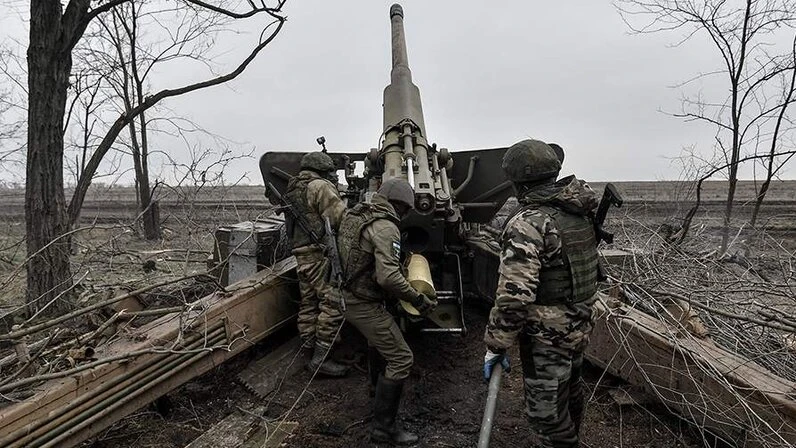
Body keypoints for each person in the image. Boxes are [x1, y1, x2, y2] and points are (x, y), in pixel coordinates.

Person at [483, 139, 600, 448]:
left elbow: (514, 296)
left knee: (546, 418)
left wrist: (496, 345)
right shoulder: (577, 208)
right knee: (570, 389)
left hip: (547, 335)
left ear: (516, 180)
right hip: (580, 321)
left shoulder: (529, 223)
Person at [337, 178, 437, 446]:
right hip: (362, 302)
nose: (404, 216)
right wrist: (417, 298)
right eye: (406, 210)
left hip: (349, 294)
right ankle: (384, 429)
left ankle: (374, 388)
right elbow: (388, 277)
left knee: (378, 341)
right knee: (402, 358)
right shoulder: (386, 227)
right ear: (401, 206)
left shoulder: (356, 214)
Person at [284, 151, 349, 377]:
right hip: (319, 254)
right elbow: (339, 218)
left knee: (309, 302)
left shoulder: (293, 187)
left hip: (301, 255)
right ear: (323, 170)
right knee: (333, 303)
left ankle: (308, 350)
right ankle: (321, 360)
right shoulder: (320, 186)